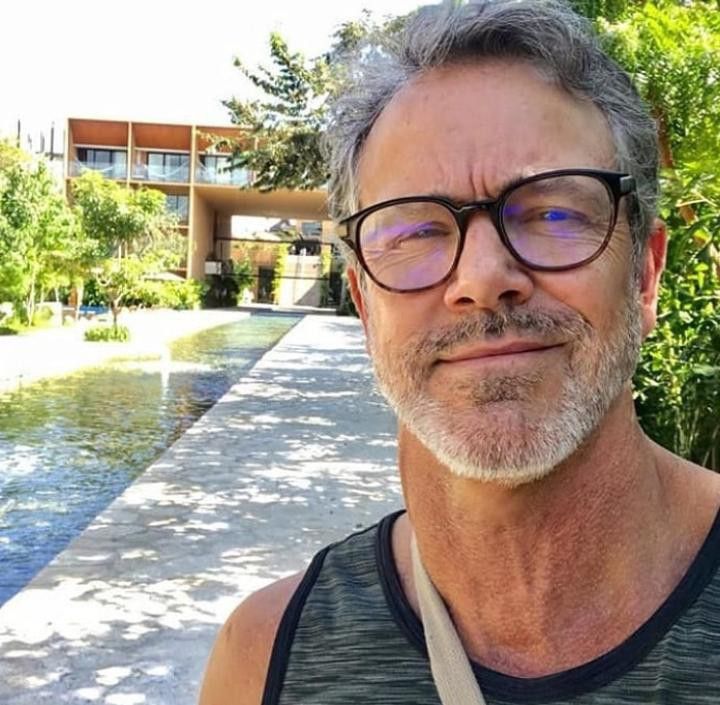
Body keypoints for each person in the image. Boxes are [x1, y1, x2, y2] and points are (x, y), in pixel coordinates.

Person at [199, 1, 720, 703]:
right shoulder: (265, 657)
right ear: (365, 307)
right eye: (415, 231)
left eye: (553, 212)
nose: (481, 279)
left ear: (645, 275)